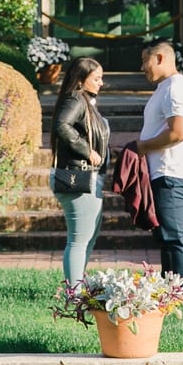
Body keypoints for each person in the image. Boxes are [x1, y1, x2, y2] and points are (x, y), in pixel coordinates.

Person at [135, 40, 183, 290]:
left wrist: (142, 147)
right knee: (165, 237)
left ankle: (182, 293)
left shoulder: (175, 88)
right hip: (162, 173)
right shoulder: (164, 88)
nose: (142, 67)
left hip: (171, 174)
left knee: (175, 236)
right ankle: (168, 291)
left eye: (145, 60)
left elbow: (178, 132)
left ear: (159, 58)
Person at [49, 56, 110, 283]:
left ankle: (77, 288)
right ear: (80, 80)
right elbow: (61, 125)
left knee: (87, 238)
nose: (101, 83)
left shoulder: (85, 101)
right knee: (79, 239)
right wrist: (86, 150)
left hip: (88, 176)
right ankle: (74, 294)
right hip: (77, 175)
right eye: (97, 78)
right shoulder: (75, 99)